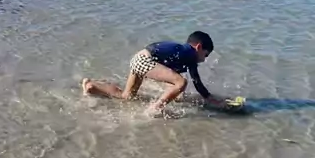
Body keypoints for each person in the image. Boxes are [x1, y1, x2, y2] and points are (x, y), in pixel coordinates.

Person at [82, 31, 218, 113]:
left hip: (138, 58)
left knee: (127, 96)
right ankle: (155, 108)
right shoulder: (189, 53)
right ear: (198, 47)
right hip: (145, 60)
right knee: (181, 82)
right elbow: (196, 81)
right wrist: (211, 99)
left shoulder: (181, 51)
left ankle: (92, 86)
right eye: (205, 55)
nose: (204, 59)